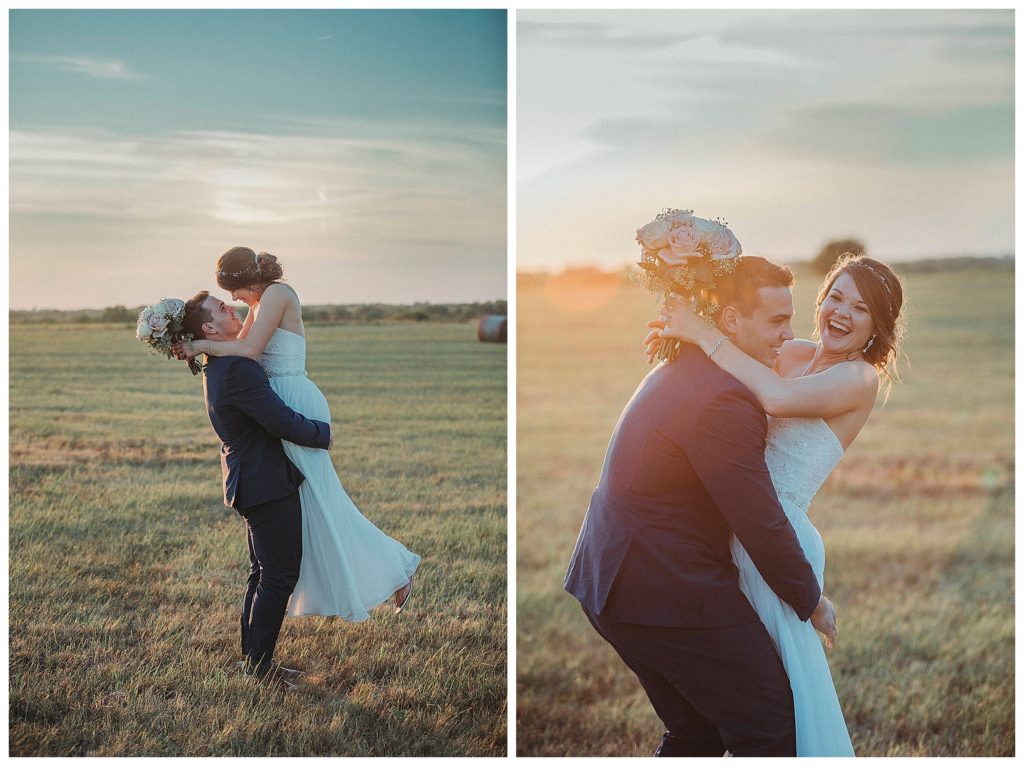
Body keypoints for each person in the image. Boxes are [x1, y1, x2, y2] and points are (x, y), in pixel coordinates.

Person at [564, 256, 837, 757]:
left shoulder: (691, 365)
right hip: (661, 588)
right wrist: (810, 599)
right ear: (731, 321)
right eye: (777, 321)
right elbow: (757, 518)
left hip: (611, 580)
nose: (788, 333)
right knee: (770, 721)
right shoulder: (725, 399)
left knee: (698, 734)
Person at [646, 253, 905, 756]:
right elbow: (733, 355)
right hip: (741, 527)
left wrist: (700, 332)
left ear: (877, 329)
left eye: (860, 308)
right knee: (741, 689)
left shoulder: (859, 379)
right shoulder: (793, 352)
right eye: (836, 296)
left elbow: (777, 399)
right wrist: (679, 340)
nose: (841, 312)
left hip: (775, 536)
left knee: (779, 698)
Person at [176, 247, 419, 621]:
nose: (234, 301)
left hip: (295, 401)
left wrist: (200, 345)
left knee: (325, 500)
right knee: (315, 505)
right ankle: (385, 571)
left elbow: (250, 349)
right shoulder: (260, 302)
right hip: (279, 399)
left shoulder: (277, 295)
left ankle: (395, 568)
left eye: (234, 292)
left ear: (246, 282)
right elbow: (242, 351)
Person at [179, 290, 333, 684]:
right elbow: (278, 419)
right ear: (210, 327)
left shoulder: (220, 362)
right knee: (278, 575)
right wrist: (322, 434)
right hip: (264, 482)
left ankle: (253, 661)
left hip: (249, 478)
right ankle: (260, 669)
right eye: (222, 308)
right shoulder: (237, 369)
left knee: (262, 573)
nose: (232, 308)